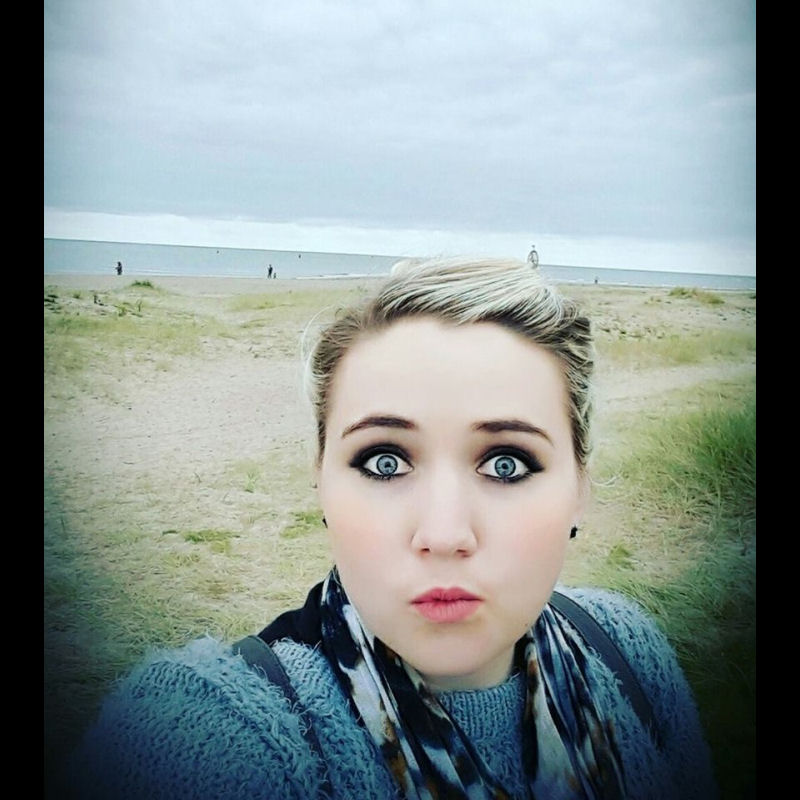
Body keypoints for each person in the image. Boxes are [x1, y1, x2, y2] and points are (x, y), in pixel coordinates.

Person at [61, 258, 716, 799]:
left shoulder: (626, 648)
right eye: (384, 461)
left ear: (580, 490)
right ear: (320, 479)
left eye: (507, 463)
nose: (444, 534)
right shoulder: (198, 734)